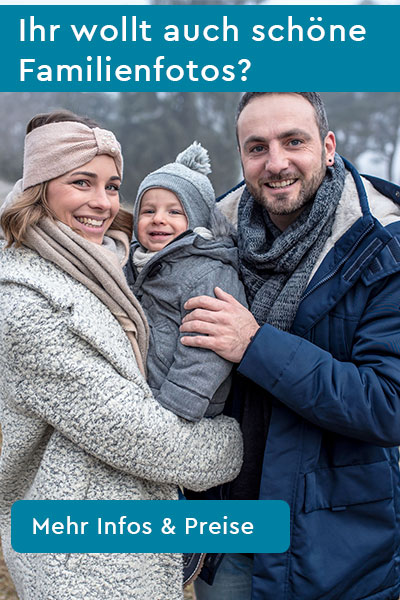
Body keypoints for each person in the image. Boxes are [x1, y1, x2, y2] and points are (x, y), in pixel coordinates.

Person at [0, 110, 243, 600]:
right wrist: (247, 437)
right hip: (83, 563)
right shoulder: (23, 301)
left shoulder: (106, 269)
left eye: (113, 186)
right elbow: (141, 437)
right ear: (41, 187)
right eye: (82, 182)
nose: (103, 202)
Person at [180, 92, 400, 600]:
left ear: (327, 146)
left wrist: (255, 344)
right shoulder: (212, 237)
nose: (276, 163)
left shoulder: (381, 247)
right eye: (257, 147)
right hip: (226, 530)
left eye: (293, 141)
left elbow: (387, 404)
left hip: (334, 544)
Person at [125, 141, 247, 422]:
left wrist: (173, 412)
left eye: (174, 212)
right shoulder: (133, 264)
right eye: (148, 211)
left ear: (197, 219)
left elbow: (206, 350)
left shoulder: (210, 272)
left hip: (181, 412)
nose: (159, 219)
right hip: (140, 399)